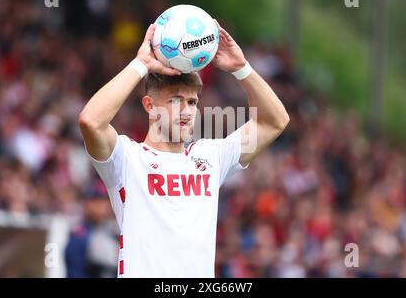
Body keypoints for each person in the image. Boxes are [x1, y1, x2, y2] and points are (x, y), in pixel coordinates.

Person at [78, 21, 290, 277]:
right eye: (176, 100)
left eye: (192, 102)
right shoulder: (127, 158)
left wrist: (241, 69)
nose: (187, 111)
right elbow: (91, 121)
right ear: (149, 105)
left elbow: (274, 121)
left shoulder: (211, 157)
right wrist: (140, 65)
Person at [64, 179, 119, 278]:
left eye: (106, 200)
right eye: (98, 200)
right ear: (87, 203)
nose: (104, 206)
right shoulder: (80, 236)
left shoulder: (113, 232)